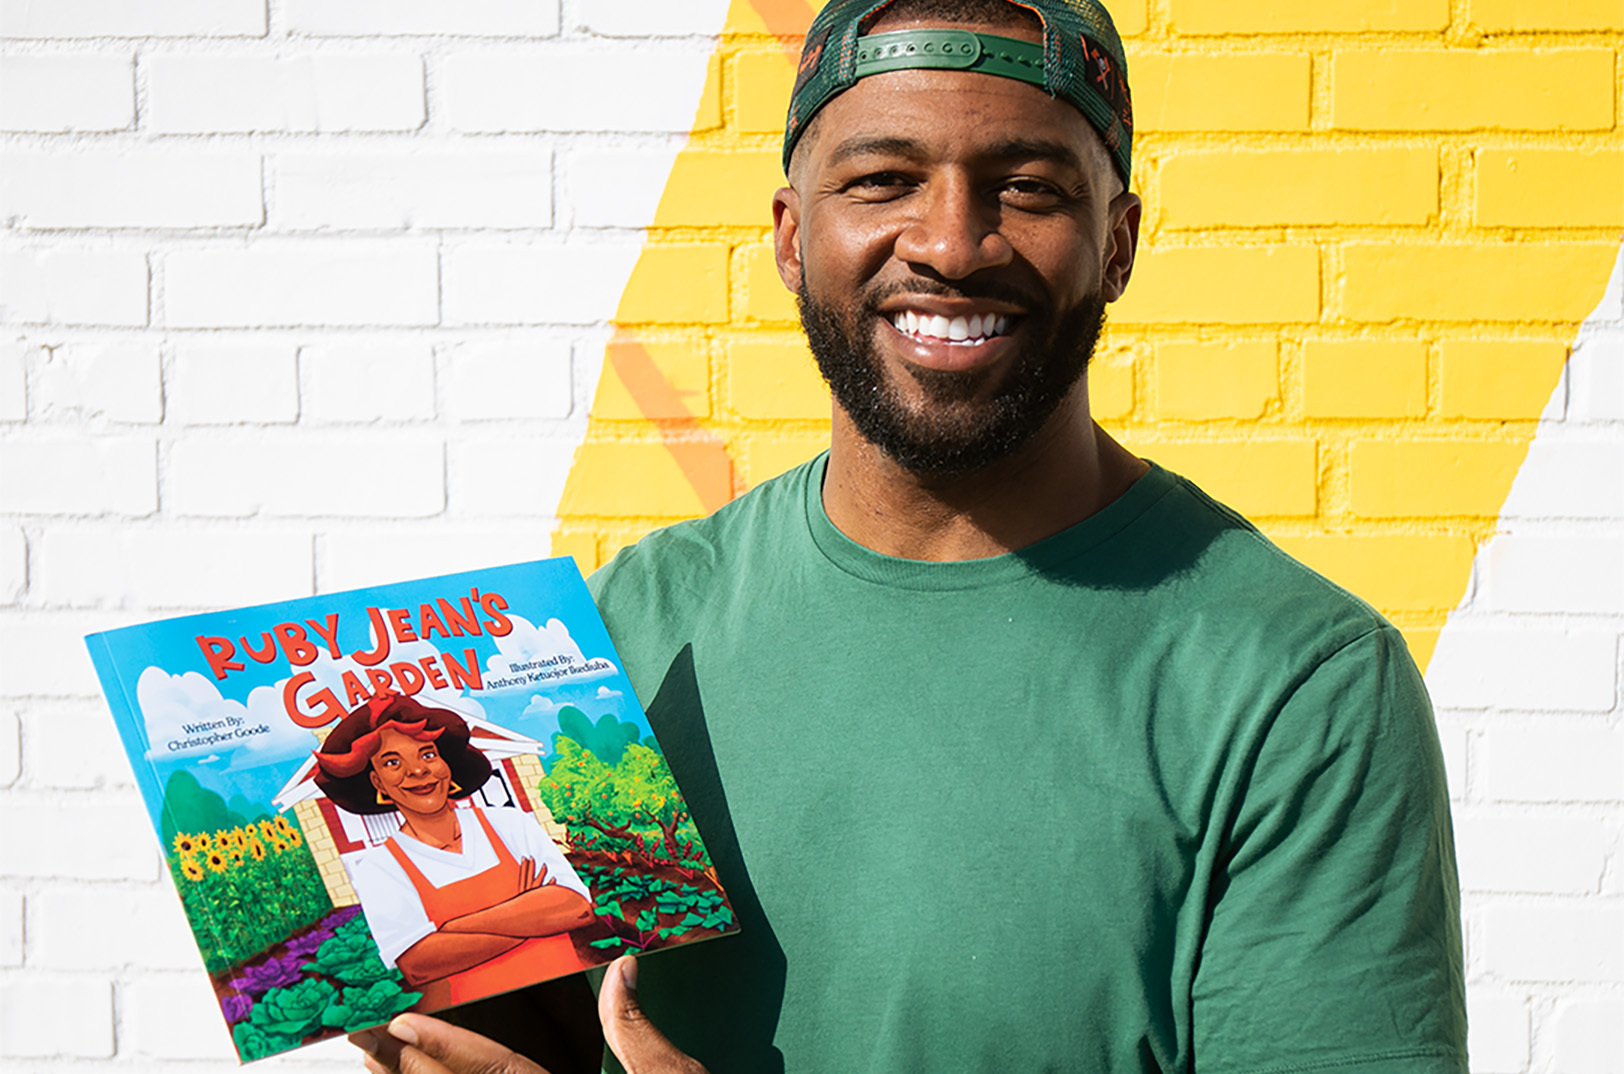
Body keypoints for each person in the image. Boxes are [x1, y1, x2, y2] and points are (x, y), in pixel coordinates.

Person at [351, 0, 1467, 1071]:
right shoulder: (622, 633)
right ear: (792, 238)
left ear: (1118, 243)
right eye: (882, 180)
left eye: (1026, 186)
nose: (949, 242)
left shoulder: (1296, 687)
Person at [315, 693, 594, 1010]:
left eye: (428, 754)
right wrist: (532, 914)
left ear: (445, 763)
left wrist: (451, 927)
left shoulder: (508, 823)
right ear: (377, 782)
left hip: (575, 995)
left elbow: (577, 909)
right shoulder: (380, 868)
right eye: (393, 762)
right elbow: (419, 964)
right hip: (478, 1021)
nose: (418, 771)